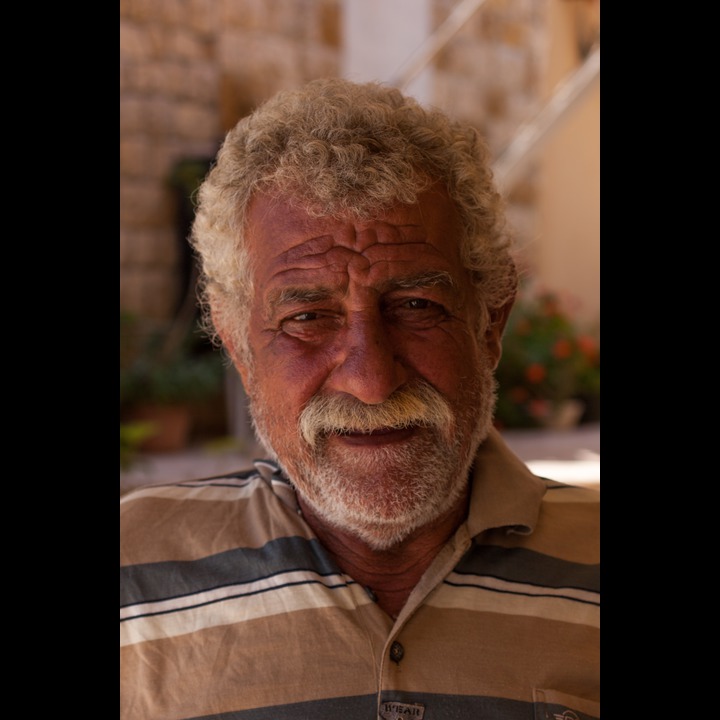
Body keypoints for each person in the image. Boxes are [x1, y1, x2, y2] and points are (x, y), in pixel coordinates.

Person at [120, 77, 599, 720]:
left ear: (490, 324)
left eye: (415, 306)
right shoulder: (134, 575)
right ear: (238, 346)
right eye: (309, 318)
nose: (371, 381)